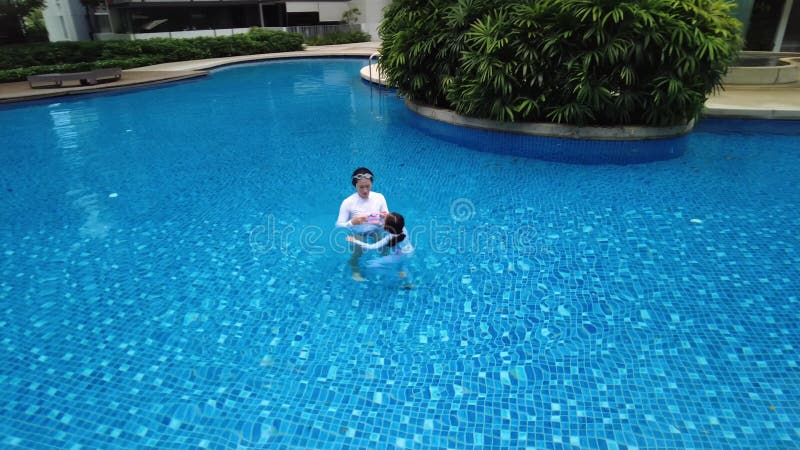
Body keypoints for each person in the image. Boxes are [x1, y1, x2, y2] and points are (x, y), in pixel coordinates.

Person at [336, 167, 389, 281]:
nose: (365, 190)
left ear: (372, 183)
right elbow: (338, 226)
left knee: (384, 249)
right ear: (355, 185)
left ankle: (386, 267)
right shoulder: (348, 203)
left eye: (368, 186)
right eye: (361, 187)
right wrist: (352, 222)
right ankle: (353, 265)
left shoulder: (379, 197)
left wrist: (385, 220)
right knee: (358, 253)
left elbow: (387, 215)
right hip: (358, 232)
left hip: (376, 230)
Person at [346, 212, 414, 287]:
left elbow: (371, 246)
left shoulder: (389, 238)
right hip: (410, 253)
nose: (382, 221)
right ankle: (409, 284)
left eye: (384, 221)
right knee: (401, 267)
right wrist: (388, 215)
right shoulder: (403, 228)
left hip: (399, 256)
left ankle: (397, 275)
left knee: (371, 264)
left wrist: (354, 240)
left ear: (387, 228)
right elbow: (397, 220)